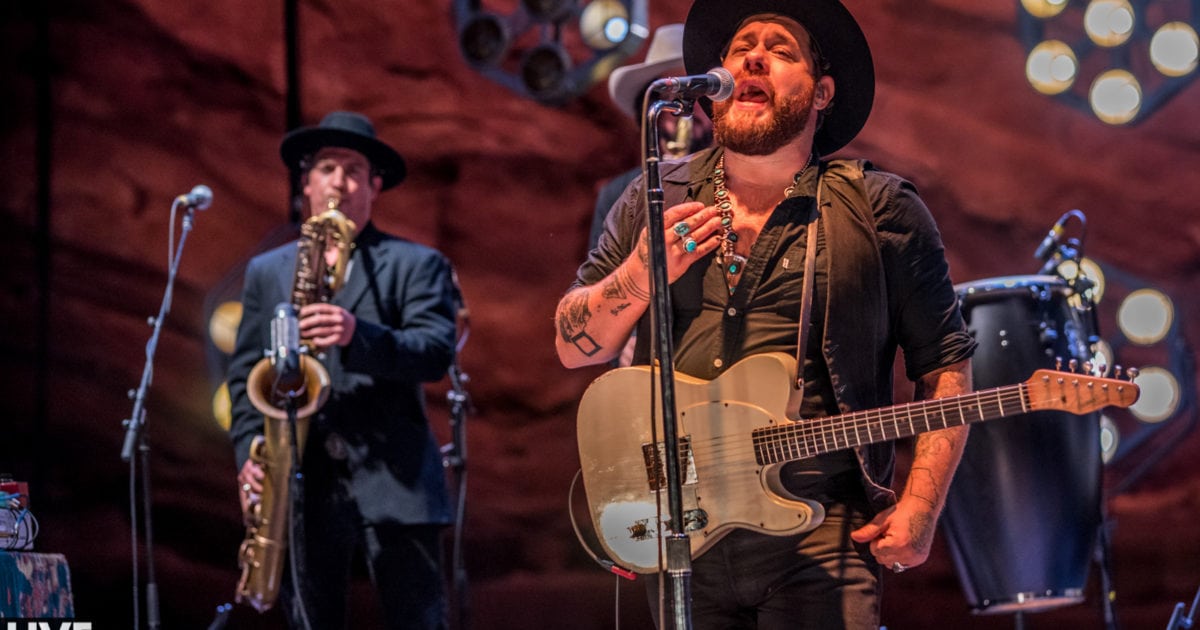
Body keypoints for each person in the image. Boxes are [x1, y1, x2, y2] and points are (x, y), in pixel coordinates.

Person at [555, 1, 976, 628]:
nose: (752, 56)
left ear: (822, 92)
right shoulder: (651, 196)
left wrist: (921, 503)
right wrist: (642, 274)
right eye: (739, 47)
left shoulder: (882, 208)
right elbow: (574, 345)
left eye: (780, 49)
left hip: (821, 532)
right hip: (681, 529)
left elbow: (944, 366)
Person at [228, 111, 457, 629]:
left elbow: (435, 352)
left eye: (354, 170)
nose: (339, 182)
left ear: (374, 187)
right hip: (302, 479)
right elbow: (246, 372)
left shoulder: (416, 263)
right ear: (306, 184)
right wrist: (248, 452)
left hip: (394, 483)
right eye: (327, 169)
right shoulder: (268, 271)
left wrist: (360, 334)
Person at [589, 22, 713, 251]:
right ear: (651, 106)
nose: (685, 105)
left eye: (698, 92)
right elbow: (598, 281)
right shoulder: (618, 194)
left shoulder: (737, 181)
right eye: (673, 94)